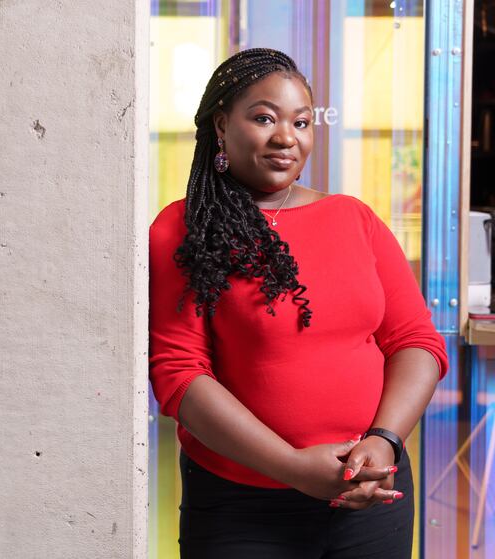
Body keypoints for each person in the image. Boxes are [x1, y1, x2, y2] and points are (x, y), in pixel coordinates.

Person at [148, 48, 449, 558]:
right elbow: (179, 373)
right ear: (222, 125)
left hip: (370, 492)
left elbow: (416, 341)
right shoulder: (182, 229)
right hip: (240, 509)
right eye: (264, 118)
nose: (287, 137)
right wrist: (292, 466)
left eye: (302, 122)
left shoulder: (355, 219)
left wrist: (384, 440)